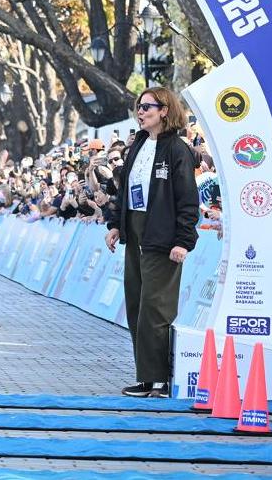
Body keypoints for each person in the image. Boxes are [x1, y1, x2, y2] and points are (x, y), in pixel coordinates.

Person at [103, 86, 199, 398]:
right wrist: (116, 225)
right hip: (135, 230)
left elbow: (187, 200)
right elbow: (125, 191)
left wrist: (184, 240)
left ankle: (158, 379)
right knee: (135, 304)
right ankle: (146, 377)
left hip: (163, 235)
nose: (140, 112)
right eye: (139, 107)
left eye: (147, 107)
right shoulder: (139, 144)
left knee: (154, 308)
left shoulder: (177, 150)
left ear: (165, 111)